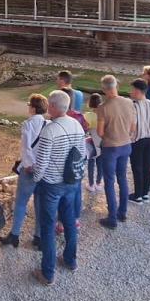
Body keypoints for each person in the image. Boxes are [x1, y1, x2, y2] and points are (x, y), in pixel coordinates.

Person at [31, 90, 86, 286]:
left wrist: (36, 178)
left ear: (53, 107)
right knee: (70, 221)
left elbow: (42, 160)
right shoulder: (77, 125)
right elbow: (82, 154)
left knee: (48, 227)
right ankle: (70, 260)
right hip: (72, 182)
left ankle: (48, 272)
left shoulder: (49, 130)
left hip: (51, 184)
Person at [1, 94, 46, 249]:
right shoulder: (48, 124)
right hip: (42, 168)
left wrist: (27, 164)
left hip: (29, 169)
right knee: (40, 204)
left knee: (21, 203)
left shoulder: (28, 124)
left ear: (33, 108)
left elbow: (26, 147)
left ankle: (15, 235)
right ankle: (39, 236)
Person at [95, 75, 136, 229]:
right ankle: (123, 212)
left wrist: (109, 135)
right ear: (116, 86)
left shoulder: (103, 108)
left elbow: (99, 132)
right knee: (123, 178)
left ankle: (112, 218)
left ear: (104, 89)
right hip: (126, 145)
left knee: (110, 182)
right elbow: (133, 127)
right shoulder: (129, 102)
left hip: (110, 147)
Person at [128, 79, 150, 203]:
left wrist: (129, 136)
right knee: (147, 167)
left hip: (137, 139)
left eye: (133, 89)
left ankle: (138, 195)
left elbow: (133, 125)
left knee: (137, 167)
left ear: (137, 91)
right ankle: (145, 193)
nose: (131, 92)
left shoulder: (133, 105)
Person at [85, 93, 104, 193]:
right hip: (102, 143)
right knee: (100, 164)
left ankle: (91, 184)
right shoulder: (104, 115)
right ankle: (98, 183)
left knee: (91, 164)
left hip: (92, 144)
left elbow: (85, 129)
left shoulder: (88, 116)